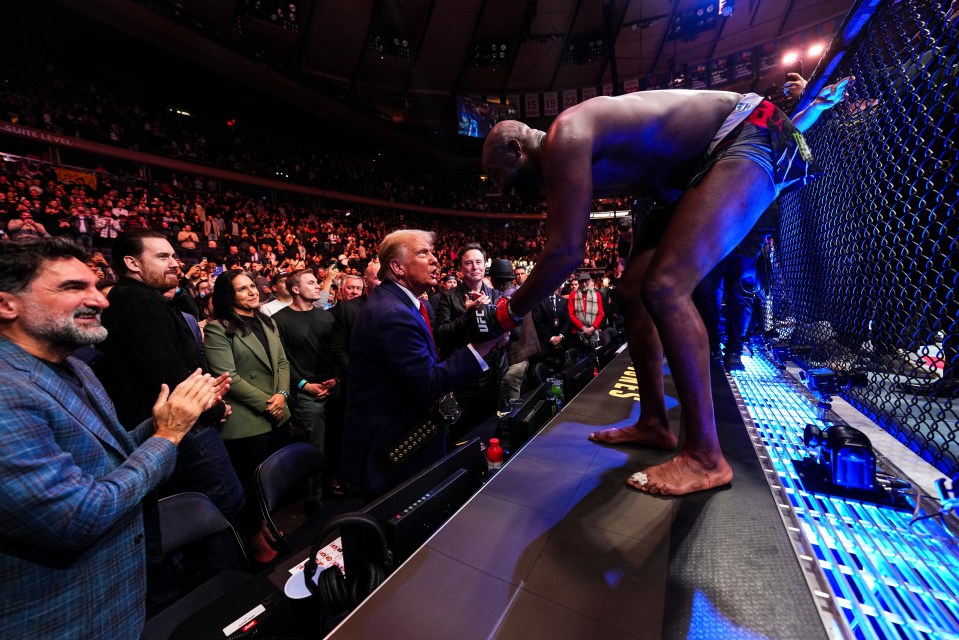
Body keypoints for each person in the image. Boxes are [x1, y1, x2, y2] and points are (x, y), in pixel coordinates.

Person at [482, 79, 853, 496]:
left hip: (744, 133)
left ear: (516, 148)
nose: (501, 189)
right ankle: (656, 423)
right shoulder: (570, 148)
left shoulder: (563, 135)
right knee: (631, 292)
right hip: (689, 174)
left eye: (499, 176)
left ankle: (705, 458)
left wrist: (507, 312)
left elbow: (566, 251)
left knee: (665, 287)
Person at [0, 237, 224, 638]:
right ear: (6, 305)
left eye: (94, 285)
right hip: (63, 620)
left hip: (115, 601)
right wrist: (167, 436)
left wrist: (166, 421)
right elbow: (75, 517)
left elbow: (108, 454)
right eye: (74, 288)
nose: (101, 300)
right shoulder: (6, 391)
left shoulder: (74, 368)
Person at [341, 230, 509, 498]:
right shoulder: (393, 313)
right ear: (397, 267)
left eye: (432, 253)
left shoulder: (403, 304)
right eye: (423, 253)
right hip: (393, 451)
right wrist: (484, 346)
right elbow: (428, 383)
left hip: (406, 441)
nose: (435, 261)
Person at [96, 228, 244, 524]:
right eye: (163, 256)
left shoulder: (144, 299)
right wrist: (214, 407)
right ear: (132, 263)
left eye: (175, 255)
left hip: (181, 425)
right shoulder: (136, 302)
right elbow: (169, 376)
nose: (175, 263)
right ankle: (227, 570)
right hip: (184, 428)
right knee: (222, 506)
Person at [204, 271, 292, 562]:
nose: (252, 292)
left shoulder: (267, 321)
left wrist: (282, 396)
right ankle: (252, 537)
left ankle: (264, 524)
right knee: (251, 484)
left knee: (269, 481)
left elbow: (281, 362)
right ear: (229, 297)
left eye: (252, 286)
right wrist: (268, 402)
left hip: (277, 411)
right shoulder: (218, 328)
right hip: (248, 418)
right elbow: (227, 375)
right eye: (243, 289)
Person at [272, 268, 340, 506]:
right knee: (314, 447)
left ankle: (331, 486)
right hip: (305, 392)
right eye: (311, 283)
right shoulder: (279, 320)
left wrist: (335, 379)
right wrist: (303, 385)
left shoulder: (326, 316)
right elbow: (281, 360)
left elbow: (335, 353)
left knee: (334, 442)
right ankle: (314, 501)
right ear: (295, 289)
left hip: (331, 387)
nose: (317, 287)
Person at [435, 242, 506, 441]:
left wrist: (506, 331)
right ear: (460, 268)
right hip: (461, 379)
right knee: (461, 436)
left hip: (491, 376)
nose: (474, 267)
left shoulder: (496, 295)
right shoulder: (447, 298)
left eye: (478, 262)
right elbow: (441, 335)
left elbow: (514, 333)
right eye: (468, 263)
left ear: (485, 265)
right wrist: (468, 315)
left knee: (491, 432)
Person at [568, 272, 604, 348]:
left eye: (586, 281)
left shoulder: (597, 294)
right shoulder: (573, 295)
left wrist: (592, 328)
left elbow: (600, 314)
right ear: (579, 282)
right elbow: (571, 315)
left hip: (593, 331)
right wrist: (583, 328)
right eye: (581, 282)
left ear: (589, 281)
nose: (584, 284)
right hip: (579, 332)